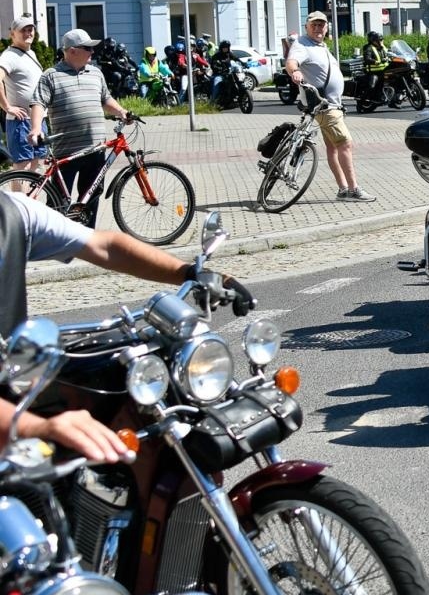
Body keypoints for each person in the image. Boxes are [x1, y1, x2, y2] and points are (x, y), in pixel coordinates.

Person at [0, 185, 254, 463]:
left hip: (17, 380)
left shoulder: (15, 212)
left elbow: (104, 245)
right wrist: (34, 428)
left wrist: (190, 273)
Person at [29, 29, 131, 226]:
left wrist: (122, 111)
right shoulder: (51, 76)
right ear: (72, 51)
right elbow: (38, 103)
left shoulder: (95, 72)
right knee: (58, 202)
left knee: (90, 197)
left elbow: (105, 98)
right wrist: (35, 128)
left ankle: (86, 237)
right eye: (87, 48)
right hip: (66, 149)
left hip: (95, 148)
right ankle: (53, 238)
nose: (92, 52)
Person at [284, 11, 375, 202]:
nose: (318, 28)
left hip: (331, 105)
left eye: (321, 25)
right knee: (345, 143)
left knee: (333, 148)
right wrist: (295, 72)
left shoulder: (319, 45)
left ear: (326, 27)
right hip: (324, 106)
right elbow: (291, 62)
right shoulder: (302, 44)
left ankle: (343, 189)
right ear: (306, 27)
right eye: (314, 25)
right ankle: (353, 189)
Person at [1, 16, 47, 183]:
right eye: (23, 30)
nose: (28, 33)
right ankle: (18, 207)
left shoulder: (31, 53)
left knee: (36, 165)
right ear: (13, 34)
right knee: (22, 168)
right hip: (20, 122)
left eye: (30, 29)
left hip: (38, 120)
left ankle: (30, 205)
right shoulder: (9, 56)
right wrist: (7, 107)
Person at [360, 30, 389, 102]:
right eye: (379, 40)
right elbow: (367, 58)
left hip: (384, 70)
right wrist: (375, 62)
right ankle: (363, 99)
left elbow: (390, 53)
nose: (380, 41)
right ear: (373, 40)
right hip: (373, 72)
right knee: (372, 85)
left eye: (381, 40)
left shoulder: (382, 47)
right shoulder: (368, 48)